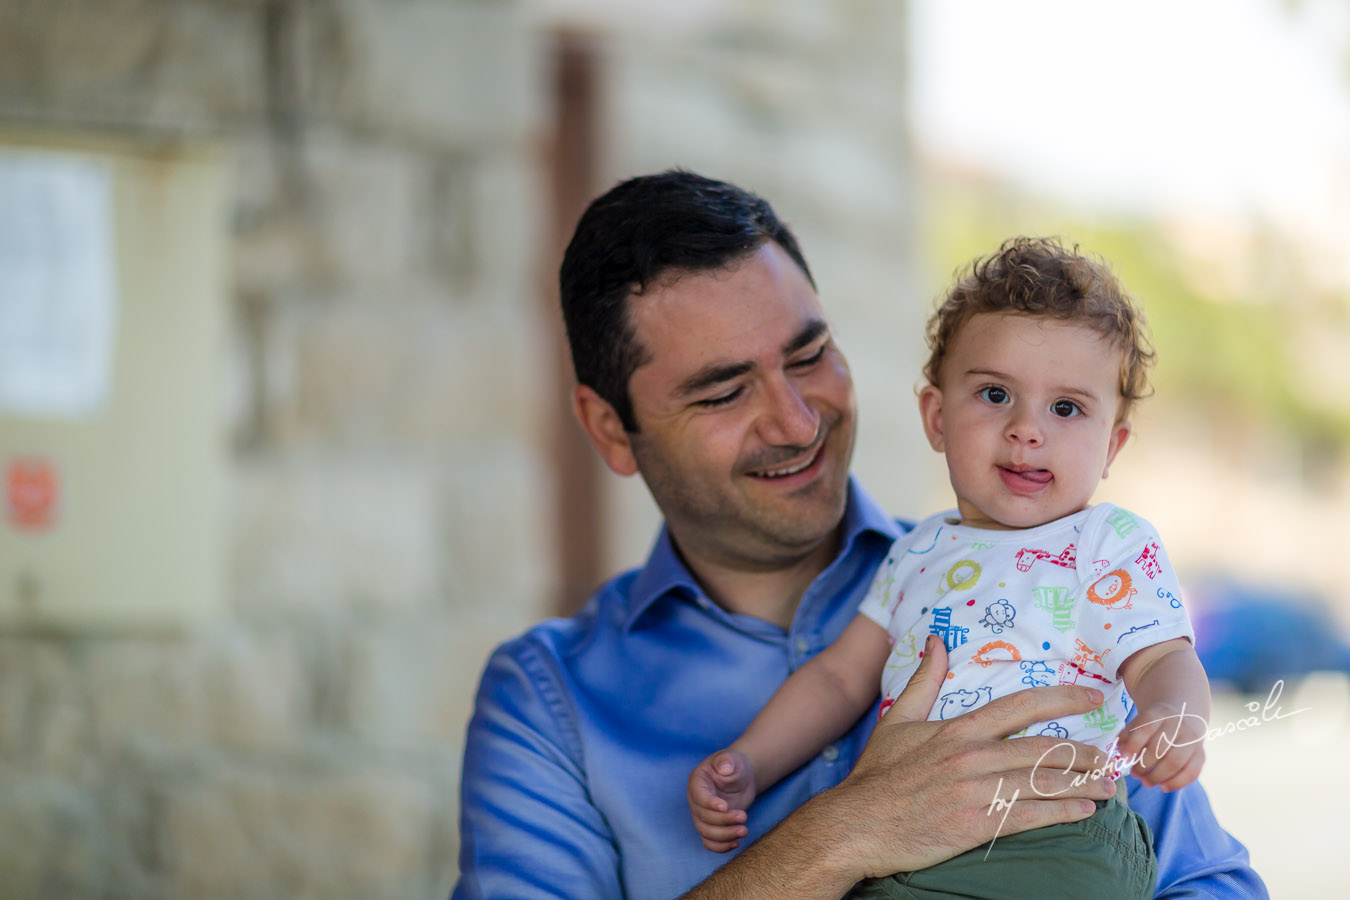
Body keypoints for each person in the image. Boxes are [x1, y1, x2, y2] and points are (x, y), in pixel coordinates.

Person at [451, 170, 1266, 900]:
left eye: (808, 356)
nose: (798, 420)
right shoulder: (547, 705)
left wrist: (1169, 724)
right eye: (725, 392)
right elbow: (841, 686)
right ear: (610, 430)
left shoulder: (1068, 586)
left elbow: (1210, 878)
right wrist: (843, 832)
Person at [687, 237, 1210, 899]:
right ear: (936, 416)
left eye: (1067, 408)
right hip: (907, 843)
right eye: (995, 394)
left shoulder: (1105, 540)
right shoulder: (917, 551)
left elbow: (1163, 657)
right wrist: (752, 760)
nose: (1027, 429)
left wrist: (1173, 715)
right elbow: (840, 677)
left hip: (1056, 832)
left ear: (1113, 445)